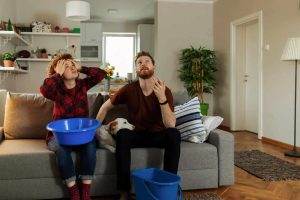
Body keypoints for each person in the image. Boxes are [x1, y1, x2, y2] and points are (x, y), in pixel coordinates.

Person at [96, 51, 181, 200]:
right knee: (122, 134)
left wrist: (161, 98)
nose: (143, 64)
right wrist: (94, 131)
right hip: (137, 134)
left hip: (158, 135)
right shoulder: (129, 89)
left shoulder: (164, 90)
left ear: (154, 66)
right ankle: (124, 191)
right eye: (139, 62)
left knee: (174, 134)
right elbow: (104, 107)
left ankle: (169, 185)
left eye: (147, 61)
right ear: (136, 69)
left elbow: (170, 124)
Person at [40, 53, 106, 200]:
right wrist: (57, 73)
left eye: (73, 64)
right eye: (67, 66)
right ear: (60, 73)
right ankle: (74, 192)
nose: (72, 68)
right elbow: (44, 89)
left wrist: (82, 67)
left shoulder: (83, 85)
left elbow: (101, 74)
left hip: (82, 136)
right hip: (60, 137)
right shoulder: (56, 90)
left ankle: (85, 192)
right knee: (62, 152)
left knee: (90, 148)